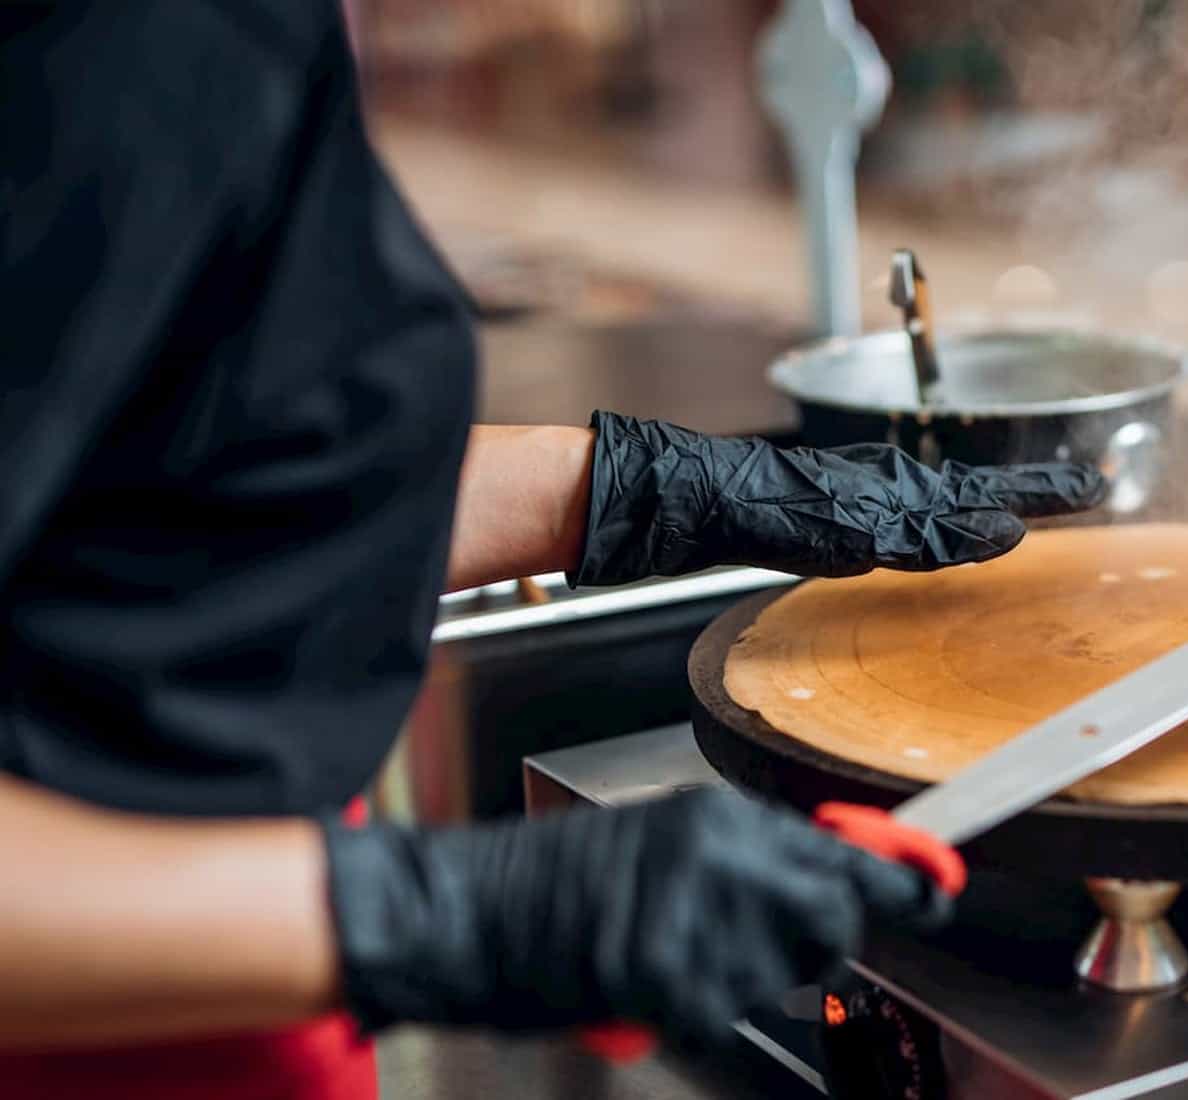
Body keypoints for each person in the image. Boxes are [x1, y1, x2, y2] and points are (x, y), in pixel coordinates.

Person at [0, 5, 1103, 1098]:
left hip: (237, 999)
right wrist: (443, 915)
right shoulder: (117, 39)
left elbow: (183, 493)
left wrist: (651, 487)